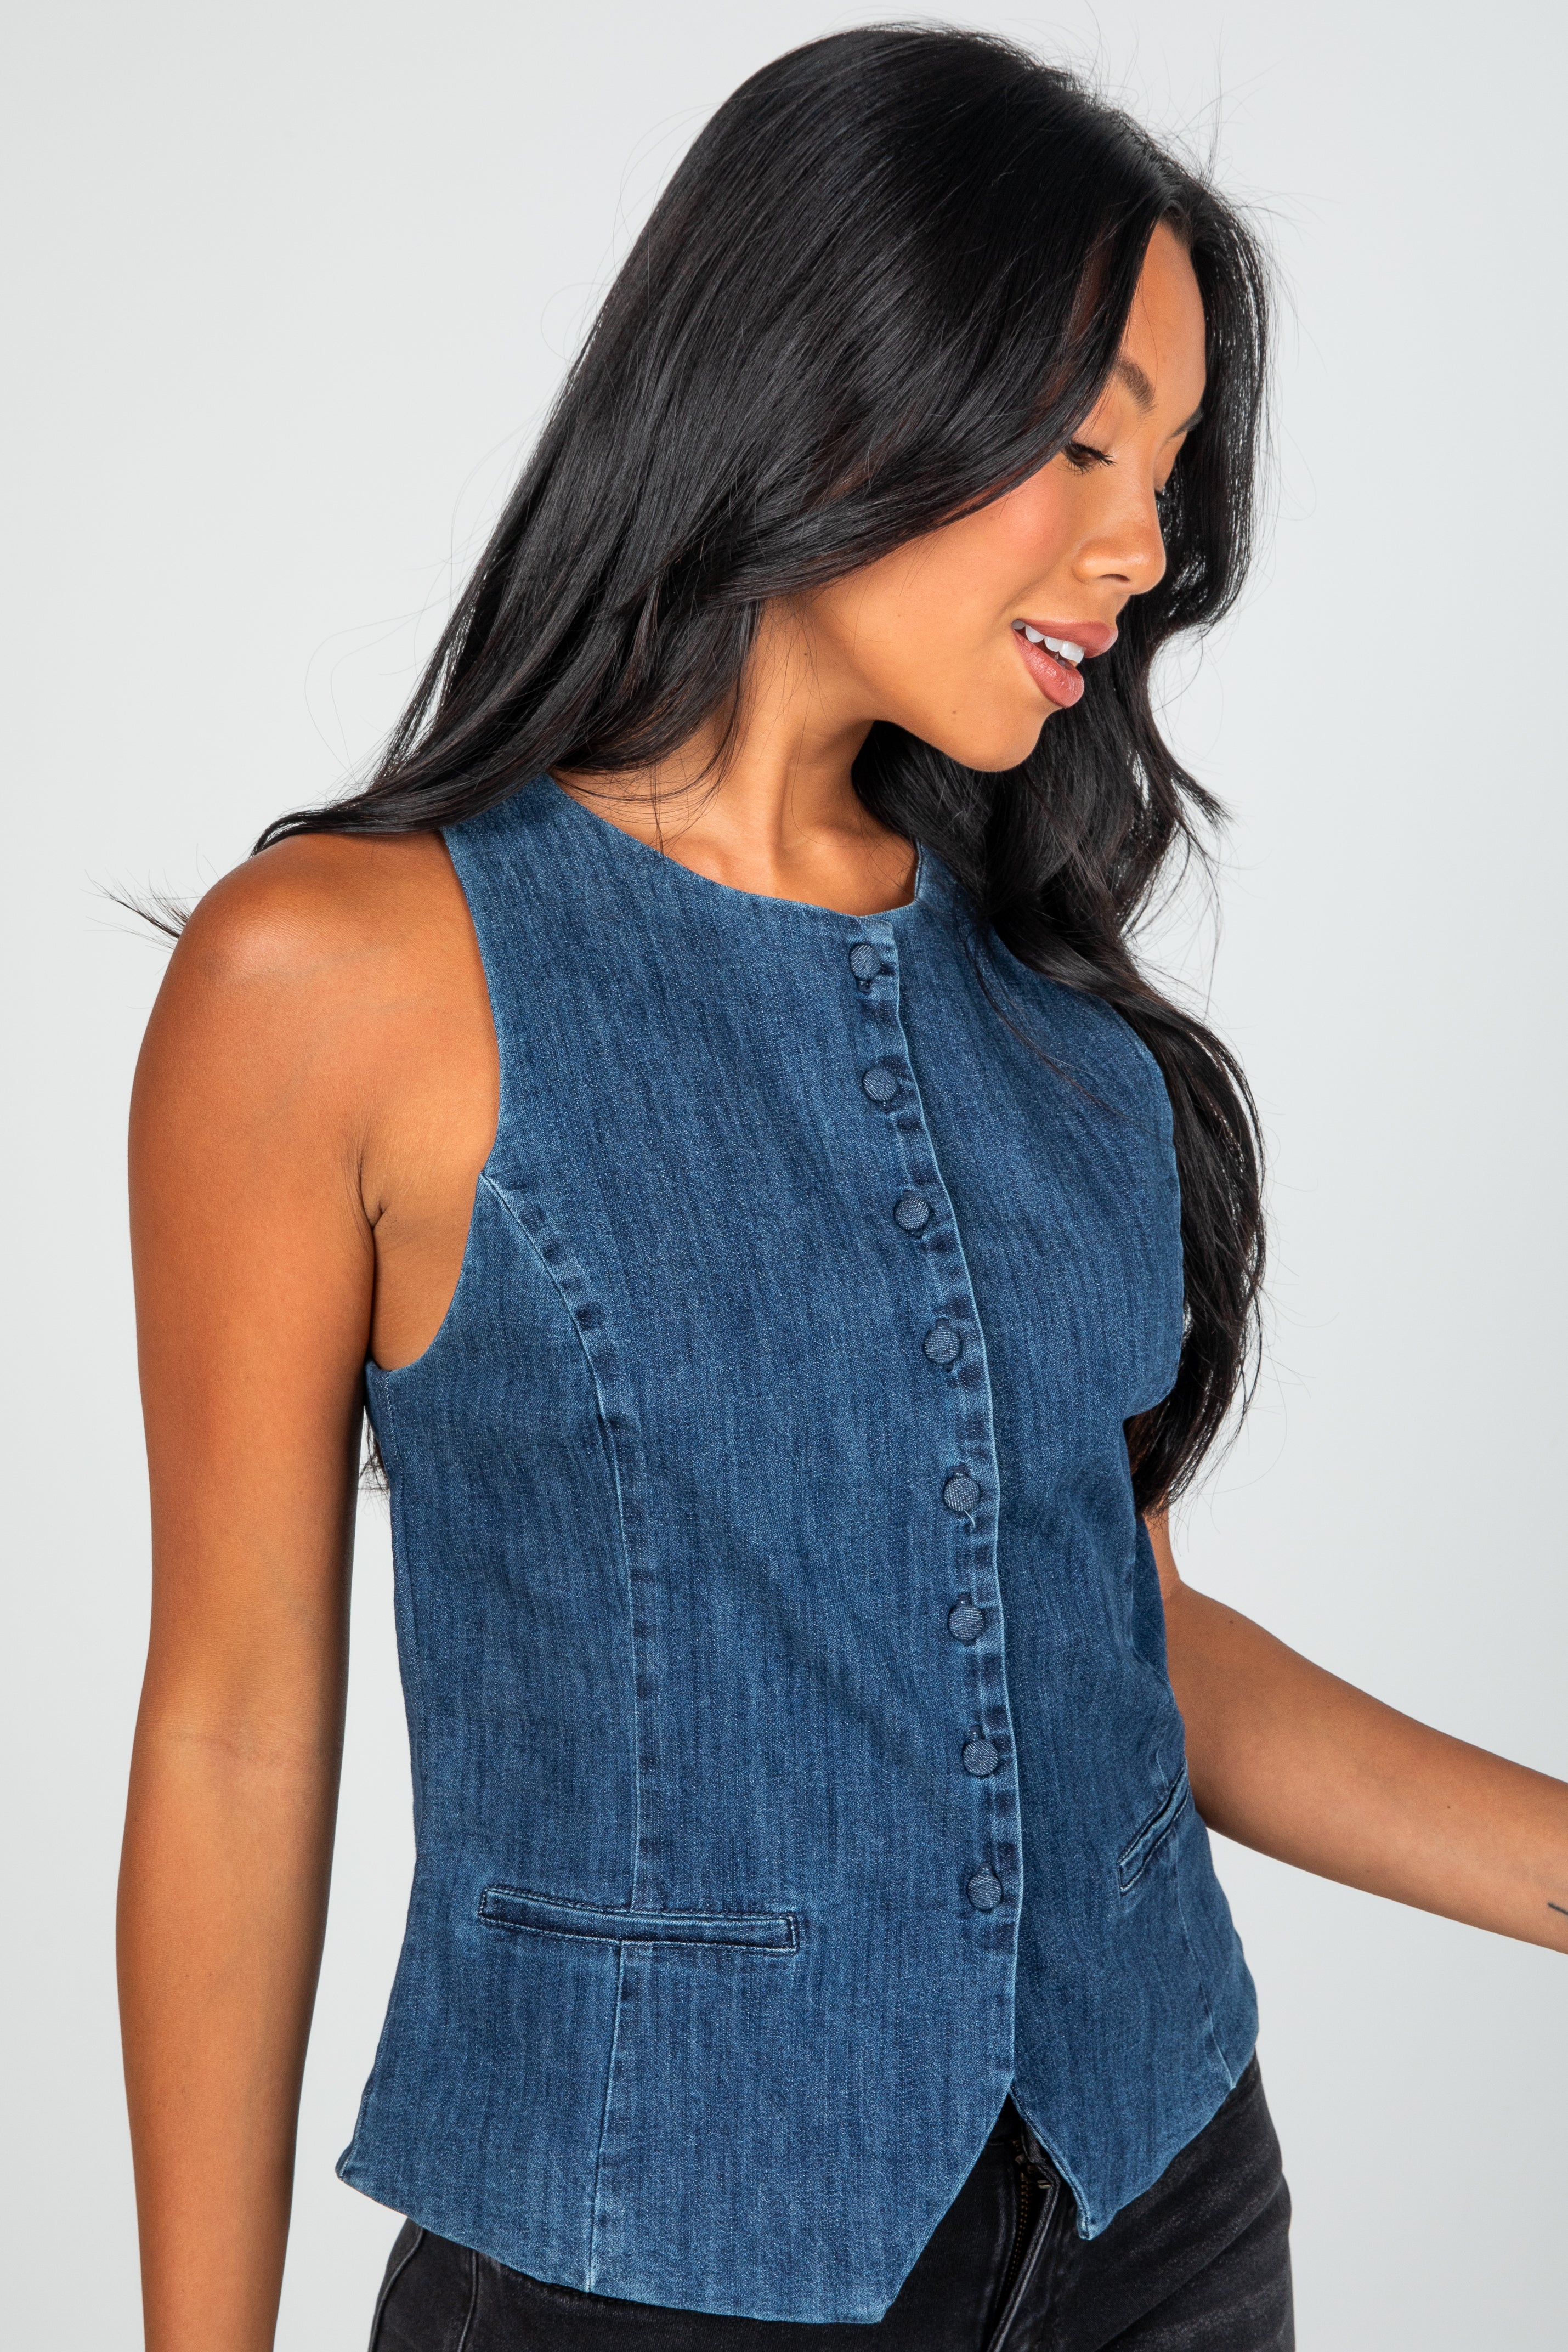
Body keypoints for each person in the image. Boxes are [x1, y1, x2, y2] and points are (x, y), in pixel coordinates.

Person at [118, 25, 1568, 2352]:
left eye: (1171, 469)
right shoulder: (341, 980)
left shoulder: (1054, 1017)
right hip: (635, 2270)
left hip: (1162, 2231)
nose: (1147, 546)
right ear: (833, 381)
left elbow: (1111, 1639)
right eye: (1086, 439)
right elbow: (230, 1723)